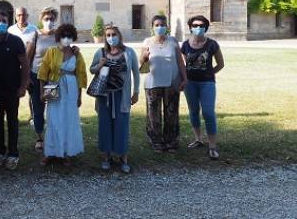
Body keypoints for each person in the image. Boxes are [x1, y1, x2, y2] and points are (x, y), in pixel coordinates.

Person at [90, 25, 140, 173]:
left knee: (122, 125)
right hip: (104, 96)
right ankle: (106, 157)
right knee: (104, 125)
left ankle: (123, 158)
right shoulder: (101, 52)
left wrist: (136, 91)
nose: (111, 37)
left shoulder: (129, 52)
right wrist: (100, 64)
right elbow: (92, 69)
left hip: (122, 96)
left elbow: (136, 73)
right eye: (108, 35)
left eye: (114, 34)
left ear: (119, 35)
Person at [37, 24, 87, 165]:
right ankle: (51, 152)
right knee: (53, 120)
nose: (66, 38)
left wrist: (79, 97)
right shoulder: (51, 52)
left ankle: (66, 152)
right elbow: (42, 73)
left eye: (69, 36)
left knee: (68, 120)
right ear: (59, 37)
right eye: (63, 36)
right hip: (54, 87)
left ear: (73, 37)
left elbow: (81, 76)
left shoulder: (77, 54)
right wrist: (42, 93)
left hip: (71, 90)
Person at [0, 11, 29, 170]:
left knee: (12, 122)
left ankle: (13, 154)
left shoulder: (16, 41)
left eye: (3, 21)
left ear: (8, 22)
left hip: (12, 90)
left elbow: (25, 65)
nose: (0, 23)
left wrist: (23, 86)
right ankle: (0, 152)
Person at [141, 15, 188, 153]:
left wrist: (185, 78)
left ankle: (171, 141)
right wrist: (144, 57)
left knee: (172, 113)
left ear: (167, 27)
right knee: (153, 114)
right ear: (152, 27)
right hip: (152, 83)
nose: (160, 27)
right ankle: (156, 141)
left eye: (162, 24)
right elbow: (141, 62)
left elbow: (180, 62)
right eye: (156, 25)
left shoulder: (173, 41)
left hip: (172, 82)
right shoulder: (147, 41)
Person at [180, 15, 225, 160]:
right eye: (195, 25)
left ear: (205, 27)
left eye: (201, 25)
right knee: (193, 111)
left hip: (207, 84)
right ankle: (198, 139)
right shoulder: (185, 45)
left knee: (208, 113)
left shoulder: (212, 44)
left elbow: (220, 64)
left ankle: (212, 146)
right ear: (190, 27)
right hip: (190, 84)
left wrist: (209, 73)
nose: (198, 28)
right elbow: (184, 65)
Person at [28, 7, 59, 152]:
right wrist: (27, 76)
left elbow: (65, 52)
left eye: (52, 19)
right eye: (46, 19)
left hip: (53, 78)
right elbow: (28, 57)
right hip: (36, 76)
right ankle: (40, 137)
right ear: (41, 20)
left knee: (53, 107)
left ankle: (53, 136)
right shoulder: (36, 35)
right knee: (38, 107)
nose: (49, 21)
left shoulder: (59, 36)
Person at [8, 6, 38, 124]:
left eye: (24, 15)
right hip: (14, 68)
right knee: (15, 93)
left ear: (27, 16)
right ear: (15, 16)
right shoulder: (10, 30)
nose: (21, 17)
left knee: (32, 93)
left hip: (30, 67)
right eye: (19, 15)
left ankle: (33, 116)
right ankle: (13, 117)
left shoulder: (34, 29)